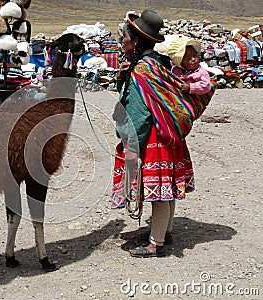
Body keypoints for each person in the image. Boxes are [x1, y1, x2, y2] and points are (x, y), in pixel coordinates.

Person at [112, 10, 200, 257]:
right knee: (167, 188)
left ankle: (156, 243)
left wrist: (130, 145)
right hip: (169, 134)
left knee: (159, 192)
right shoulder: (158, 64)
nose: (123, 42)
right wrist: (122, 80)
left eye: (125, 37)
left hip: (153, 139)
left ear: (136, 41)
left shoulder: (142, 71)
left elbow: (137, 115)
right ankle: (165, 231)